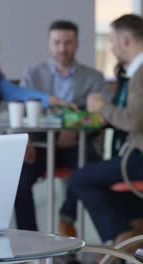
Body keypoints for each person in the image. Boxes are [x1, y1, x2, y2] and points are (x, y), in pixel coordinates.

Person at [16, 20, 110, 232]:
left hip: (78, 142)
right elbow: (21, 112)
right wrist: (26, 140)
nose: (62, 48)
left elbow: (103, 115)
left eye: (68, 43)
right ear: (49, 44)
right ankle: (29, 243)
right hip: (39, 144)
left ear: (77, 44)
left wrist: (77, 130)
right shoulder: (32, 74)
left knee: (91, 172)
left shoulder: (93, 77)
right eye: (57, 42)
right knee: (19, 183)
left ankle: (67, 216)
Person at [62, 14, 143, 243]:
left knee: (80, 179)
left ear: (125, 40)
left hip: (139, 158)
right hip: (133, 155)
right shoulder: (135, 71)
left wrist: (102, 107)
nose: (111, 47)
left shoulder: (140, 73)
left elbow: (132, 121)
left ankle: (122, 236)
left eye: (112, 40)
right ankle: (132, 231)